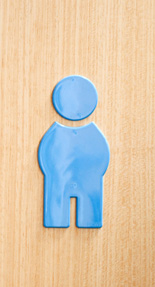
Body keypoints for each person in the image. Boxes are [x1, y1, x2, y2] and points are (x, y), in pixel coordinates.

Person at [38, 76, 109, 228]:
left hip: (82, 181)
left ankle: (82, 220)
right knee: (58, 214)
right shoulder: (93, 136)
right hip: (60, 181)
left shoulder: (54, 135)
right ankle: (64, 219)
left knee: (86, 213)